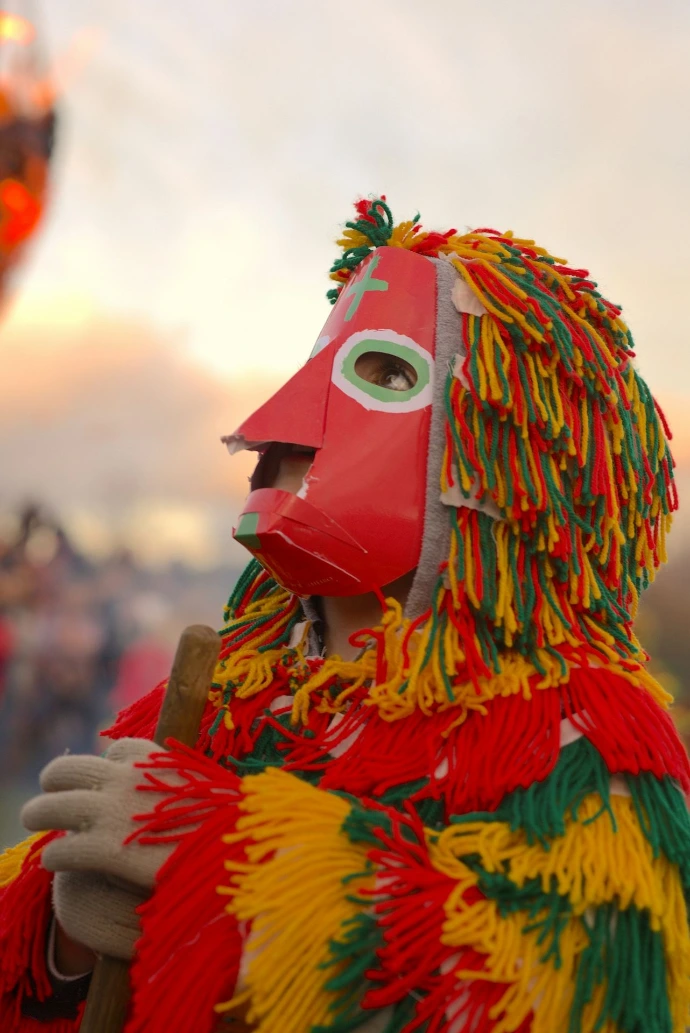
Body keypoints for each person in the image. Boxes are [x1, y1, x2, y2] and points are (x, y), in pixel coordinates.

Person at [1, 197, 688, 1033]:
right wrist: (61, 947)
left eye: (387, 373)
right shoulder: (223, 690)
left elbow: (578, 996)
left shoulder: (581, 737)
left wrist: (236, 872)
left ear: (513, 451)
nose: (274, 427)